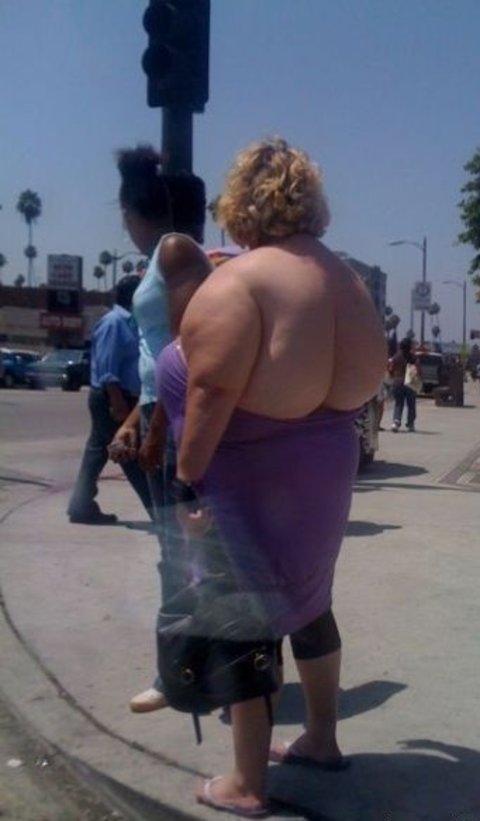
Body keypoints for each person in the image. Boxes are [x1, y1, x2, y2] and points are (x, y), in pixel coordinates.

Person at [155, 137, 387, 816]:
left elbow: (212, 389)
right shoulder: (345, 280)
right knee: (311, 601)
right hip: (325, 467)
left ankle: (247, 782)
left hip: (250, 476)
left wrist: (186, 480)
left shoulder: (244, 280)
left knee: (239, 615)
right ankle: (321, 738)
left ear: (241, 203)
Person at [106, 145, 211, 712]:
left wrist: (154, 428)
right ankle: (186, 667)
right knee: (176, 550)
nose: (123, 223)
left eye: (123, 212)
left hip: (172, 421)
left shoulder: (174, 251)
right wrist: (133, 419)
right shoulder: (157, 259)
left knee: (179, 550)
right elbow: (154, 359)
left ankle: (179, 675)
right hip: (156, 415)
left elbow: (185, 352)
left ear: (133, 211)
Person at [67, 275, 152, 524]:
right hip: (112, 397)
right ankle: (160, 514)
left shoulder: (131, 322)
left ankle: (80, 505)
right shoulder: (114, 323)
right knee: (129, 454)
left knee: (96, 453)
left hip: (120, 396)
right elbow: (107, 369)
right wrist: (117, 402)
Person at [388, 336, 420, 432]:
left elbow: (391, 369)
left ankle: (396, 421)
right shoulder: (413, 357)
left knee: (399, 403)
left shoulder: (396, 357)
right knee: (411, 404)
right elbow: (418, 369)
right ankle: (410, 424)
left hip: (398, 381)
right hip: (410, 382)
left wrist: (392, 376)